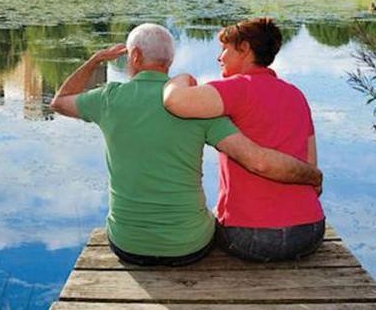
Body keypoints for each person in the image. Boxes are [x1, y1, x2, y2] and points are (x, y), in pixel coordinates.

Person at [51, 23, 322, 266]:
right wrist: (314, 176)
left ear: (134, 56)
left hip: (129, 245)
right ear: (169, 59)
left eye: (225, 49)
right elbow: (295, 162)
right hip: (206, 245)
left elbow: (60, 101)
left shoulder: (109, 99)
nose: (219, 57)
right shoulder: (288, 97)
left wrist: (95, 60)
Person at [163, 17, 324, 262]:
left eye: (224, 49)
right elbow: (311, 169)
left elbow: (175, 101)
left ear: (245, 49)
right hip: (310, 232)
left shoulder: (236, 88)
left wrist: (181, 78)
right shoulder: (296, 95)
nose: (219, 57)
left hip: (250, 237)